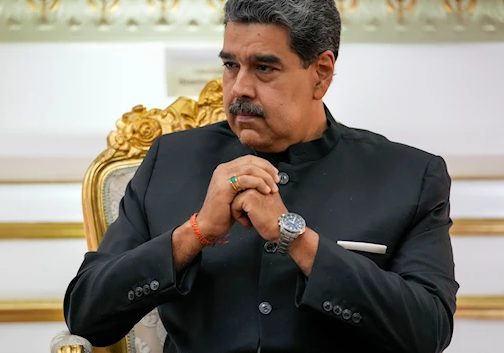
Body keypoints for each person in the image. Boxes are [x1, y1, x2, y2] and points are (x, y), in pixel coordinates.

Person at [63, 0, 459, 352]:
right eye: (230, 65)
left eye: (264, 68)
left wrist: (297, 240)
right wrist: (195, 233)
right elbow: (86, 315)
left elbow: (427, 332)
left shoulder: (410, 176)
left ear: (320, 73)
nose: (239, 88)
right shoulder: (170, 160)